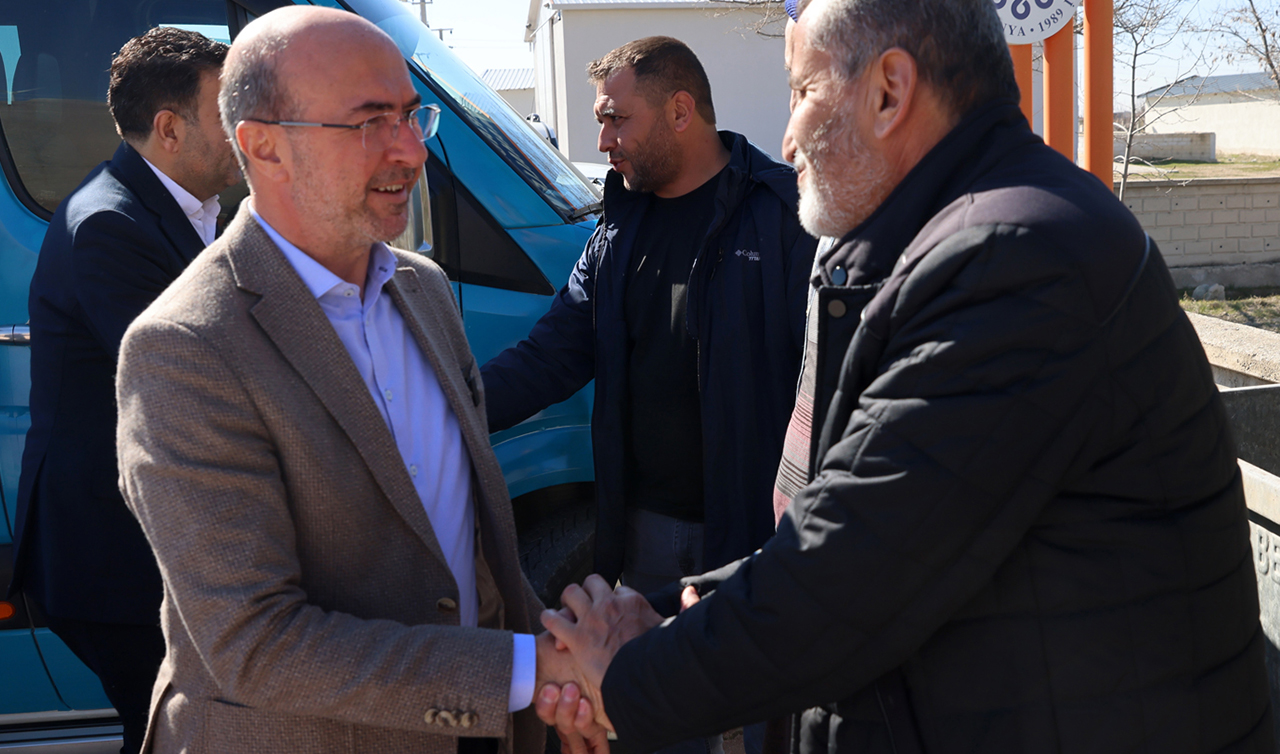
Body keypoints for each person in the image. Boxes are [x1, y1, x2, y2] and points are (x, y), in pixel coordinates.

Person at [537, 0, 1276, 752]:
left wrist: (623, 677)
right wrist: (669, 613)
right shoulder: (948, 245)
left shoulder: (1015, 261)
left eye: (802, 91)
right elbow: (851, 528)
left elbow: (849, 571)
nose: (786, 137)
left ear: (889, 91)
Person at [113, 8, 582, 753]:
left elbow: (467, 546)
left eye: (411, 117)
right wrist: (530, 673)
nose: (412, 151)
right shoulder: (184, 347)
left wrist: (558, 658)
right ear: (263, 146)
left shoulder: (424, 291)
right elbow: (256, 643)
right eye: (369, 123)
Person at [482, 33, 817, 626]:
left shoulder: (783, 216)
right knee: (654, 685)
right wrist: (449, 406)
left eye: (616, 119)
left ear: (680, 112)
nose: (602, 141)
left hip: (755, 535)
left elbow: (829, 381)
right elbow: (551, 354)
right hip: (645, 536)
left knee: (750, 685)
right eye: (601, 121)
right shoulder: (618, 229)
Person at [6, 27, 238, 754]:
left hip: (142, 547)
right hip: (112, 558)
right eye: (228, 109)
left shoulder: (174, 208)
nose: (248, 126)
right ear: (170, 128)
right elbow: (195, 382)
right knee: (180, 732)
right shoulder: (110, 223)